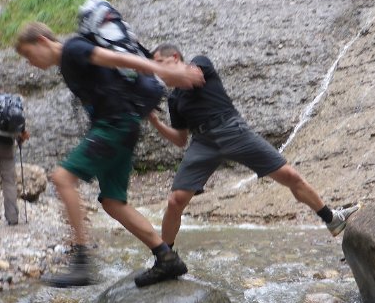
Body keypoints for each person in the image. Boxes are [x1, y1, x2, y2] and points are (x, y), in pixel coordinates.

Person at [14, 21, 205, 288]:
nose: (29, 63)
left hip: (114, 126)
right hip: (123, 126)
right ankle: (166, 256)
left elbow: (116, 58)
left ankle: (81, 262)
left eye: (28, 55)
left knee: (62, 177)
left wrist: (161, 69)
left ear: (43, 42)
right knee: (113, 202)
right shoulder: (69, 61)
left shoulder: (73, 49)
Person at [148, 43, 359, 257]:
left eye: (159, 63)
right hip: (202, 142)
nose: (157, 70)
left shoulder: (200, 63)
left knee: (289, 175)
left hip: (231, 129)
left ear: (175, 57)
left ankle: (331, 219)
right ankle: (165, 257)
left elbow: (193, 78)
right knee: (175, 201)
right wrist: (154, 121)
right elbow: (180, 139)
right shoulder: (174, 99)